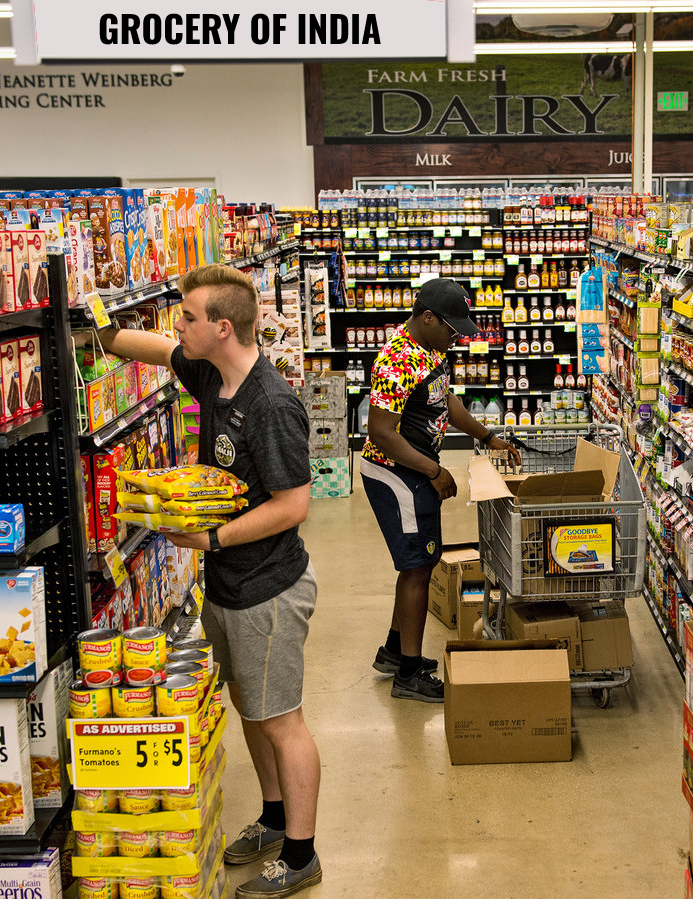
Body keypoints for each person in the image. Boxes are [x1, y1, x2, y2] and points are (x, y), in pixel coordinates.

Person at [90, 263, 322, 899]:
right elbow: (147, 347)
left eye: (188, 316)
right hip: (226, 582)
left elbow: (294, 504)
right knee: (250, 706)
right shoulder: (211, 371)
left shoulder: (271, 405)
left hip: (267, 587)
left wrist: (212, 538)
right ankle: (275, 821)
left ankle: (302, 854)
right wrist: (87, 325)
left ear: (223, 327)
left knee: (282, 720)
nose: (177, 326)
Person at [360, 278, 519, 703]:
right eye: (452, 328)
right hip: (397, 473)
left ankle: (395, 652)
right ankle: (409, 675)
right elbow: (381, 431)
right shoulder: (398, 359)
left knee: (417, 565)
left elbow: (446, 402)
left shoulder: (431, 350)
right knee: (418, 568)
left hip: (414, 469)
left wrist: (488, 437)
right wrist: (434, 470)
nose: (456, 337)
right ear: (427, 317)